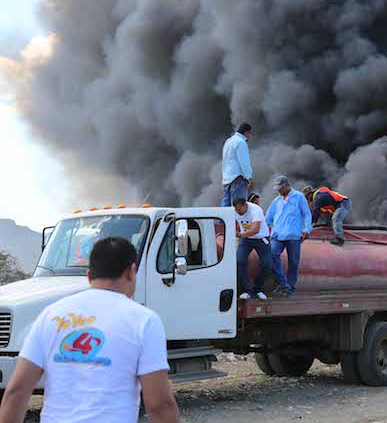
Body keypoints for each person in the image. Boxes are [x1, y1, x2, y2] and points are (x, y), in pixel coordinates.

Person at [0, 237, 179, 423]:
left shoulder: (51, 315)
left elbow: (16, 391)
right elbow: (159, 404)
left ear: (88, 276)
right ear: (131, 272)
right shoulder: (144, 321)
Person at [265, 176, 312, 297]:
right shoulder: (276, 201)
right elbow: (268, 218)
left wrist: (307, 229)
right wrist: (260, 231)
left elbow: (306, 214)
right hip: (278, 234)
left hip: (293, 234)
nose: (278, 190)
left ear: (287, 186)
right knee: (272, 255)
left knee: (293, 262)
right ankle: (283, 284)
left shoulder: (299, 197)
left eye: (280, 188)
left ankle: (290, 288)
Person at [232, 196, 276, 301]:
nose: (237, 212)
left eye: (239, 209)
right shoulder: (234, 211)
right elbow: (230, 223)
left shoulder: (256, 210)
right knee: (239, 261)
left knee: (267, 265)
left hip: (261, 238)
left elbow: (255, 229)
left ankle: (258, 288)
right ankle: (248, 290)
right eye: (236, 210)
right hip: (246, 239)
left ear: (245, 205)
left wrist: (240, 235)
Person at [221, 123, 253, 207]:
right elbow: (244, 162)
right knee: (238, 208)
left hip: (227, 180)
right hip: (238, 179)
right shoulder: (241, 142)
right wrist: (249, 177)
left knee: (225, 210)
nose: (250, 136)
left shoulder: (228, 141)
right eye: (250, 134)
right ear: (247, 132)